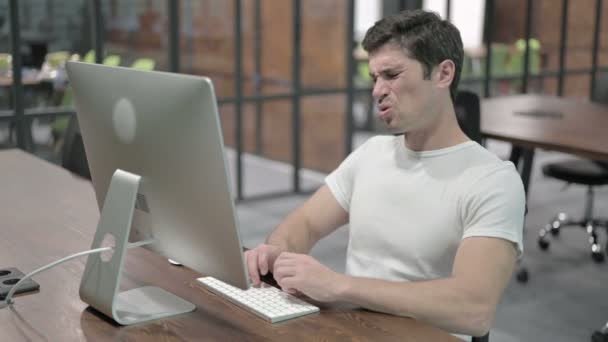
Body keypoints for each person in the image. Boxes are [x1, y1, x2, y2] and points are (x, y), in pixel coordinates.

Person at [244, 9, 525, 338]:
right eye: (374, 77)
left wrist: (339, 286)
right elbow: (303, 224)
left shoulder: (492, 180)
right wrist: (279, 250)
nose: (377, 90)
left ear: (443, 73)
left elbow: (473, 309)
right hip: (351, 330)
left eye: (391, 74)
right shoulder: (371, 154)